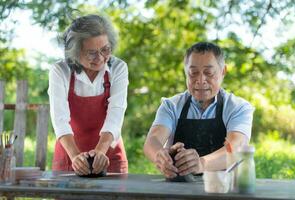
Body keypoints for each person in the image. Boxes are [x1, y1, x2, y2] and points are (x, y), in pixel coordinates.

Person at [144, 42, 254, 178]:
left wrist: (202, 163)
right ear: (186, 73)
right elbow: (152, 140)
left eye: (208, 73)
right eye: (193, 73)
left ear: (223, 71)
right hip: (178, 190)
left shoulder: (238, 107)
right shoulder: (171, 106)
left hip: (224, 190)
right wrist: (160, 156)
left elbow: (236, 146)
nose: (201, 80)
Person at [48, 14, 128, 175]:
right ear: (75, 53)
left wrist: (100, 151)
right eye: (91, 53)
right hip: (69, 154)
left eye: (105, 49)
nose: (100, 58)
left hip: (109, 154)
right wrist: (75, 156)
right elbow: (59, 119)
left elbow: (116, 113)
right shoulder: (60, 71)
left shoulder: (118, 67)